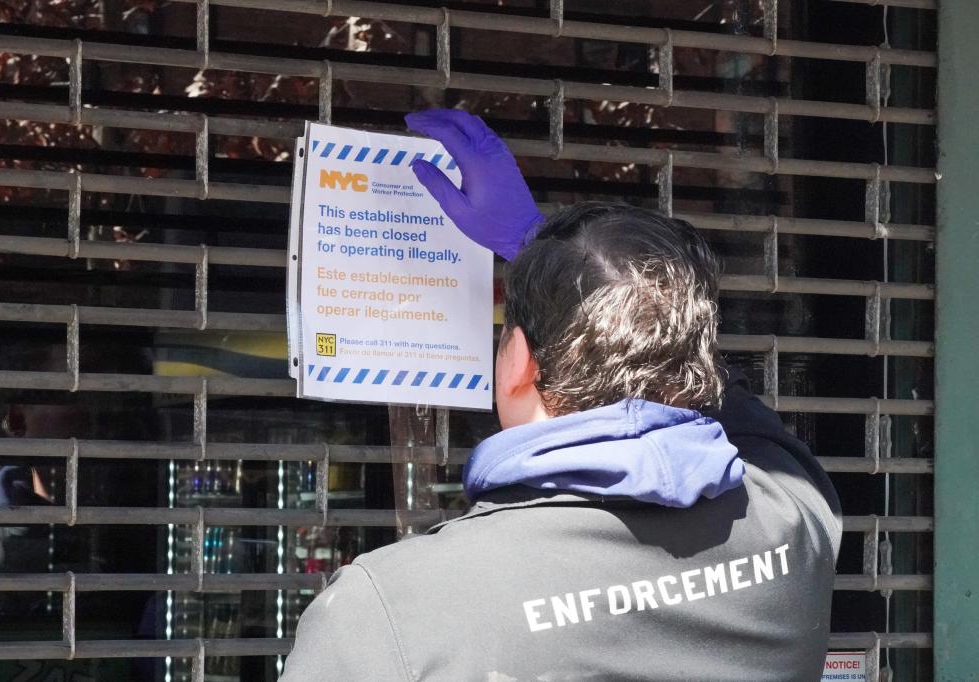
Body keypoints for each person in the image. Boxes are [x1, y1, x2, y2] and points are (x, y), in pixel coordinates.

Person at [279, 110, 841, 681]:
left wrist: (535, 247)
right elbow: (735, 410)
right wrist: (539, 250)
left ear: (518, 361)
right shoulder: (792, 518)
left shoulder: (384, 615)